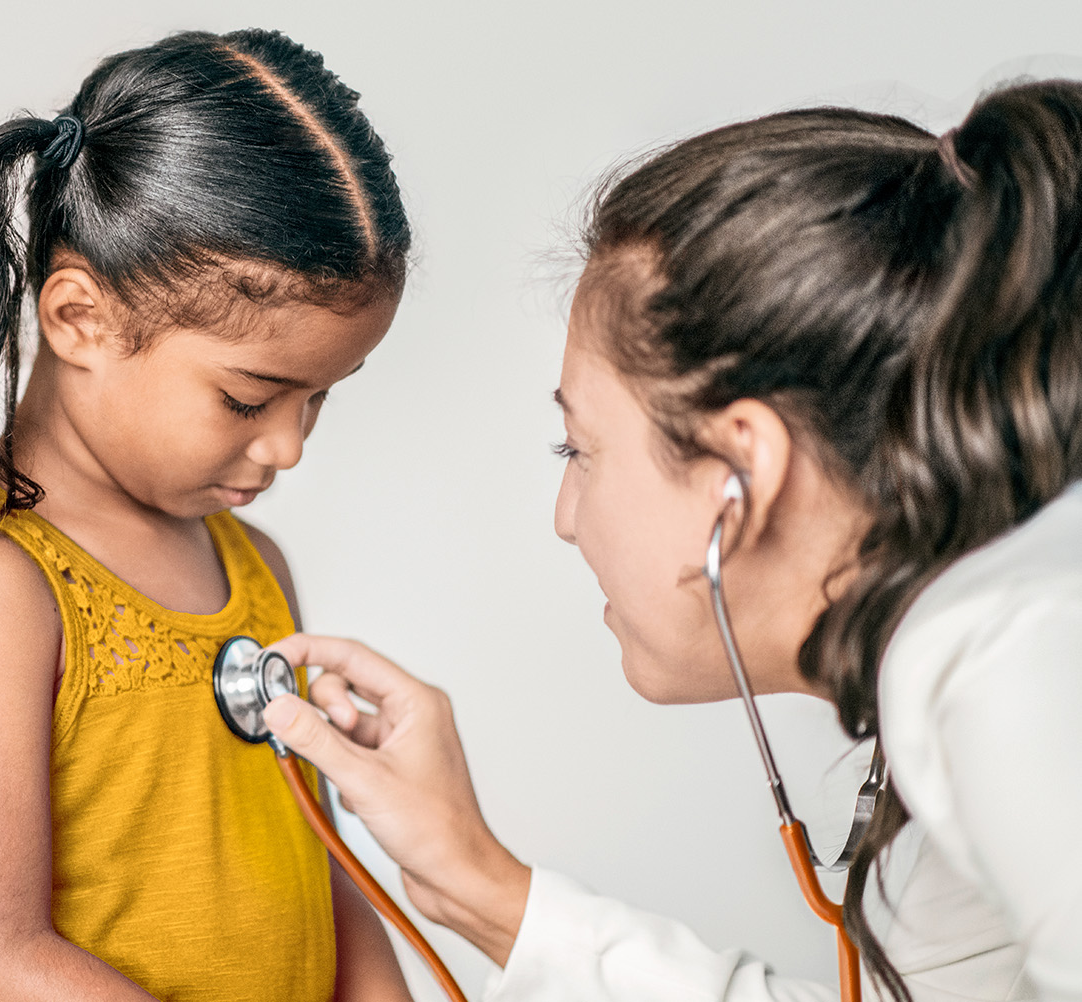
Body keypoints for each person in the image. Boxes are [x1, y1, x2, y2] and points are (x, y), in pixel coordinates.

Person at [262, 79, 1082, 1002]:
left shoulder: (1012, 670)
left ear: (741, 474)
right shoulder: (986, 672)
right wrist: (476, 884)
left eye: (579, 448)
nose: (564, 518)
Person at [0, 29, 416, 1002]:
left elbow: (320, 865)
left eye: (320, 397)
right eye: (249, 399)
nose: (290, 447)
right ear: (80, 319)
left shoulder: (255, 568)